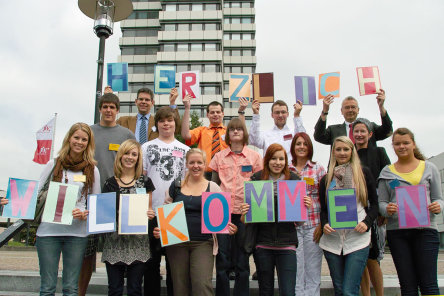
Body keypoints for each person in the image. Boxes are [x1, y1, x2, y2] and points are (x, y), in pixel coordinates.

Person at [153, 148, 237, 296]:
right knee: (180, 287)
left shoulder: (213, 187)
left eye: (199, 162)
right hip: (176, 242)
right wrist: (161, 229)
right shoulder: (176, 185)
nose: (195, 166)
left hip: (203, 243)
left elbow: (222, 218)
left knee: (202, 285)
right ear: (186, 164)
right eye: (192, 162)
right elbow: (166, 211)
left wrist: (229, 228)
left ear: (205, 165)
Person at [79, 93, 135, 296]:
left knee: (119, 247)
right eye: (105, 107)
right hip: (92, 198)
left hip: (118, 198)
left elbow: (134, 163)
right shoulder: (89, 132)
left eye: (112, 107)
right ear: (100, 109)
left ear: (117, 110)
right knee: (88, 251)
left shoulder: (126, 134)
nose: (109, 110)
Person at [35, 123, 100, 296]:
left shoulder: (92, 169)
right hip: (48, 232)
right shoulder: (53, 164)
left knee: (71, 288)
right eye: (76, 137)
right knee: (47, 288)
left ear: (89, 143)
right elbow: (35, 193)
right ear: (69, 139)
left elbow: (95, 203)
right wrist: (12, 201)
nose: (79, 142)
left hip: (76, 234)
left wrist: (86, 214)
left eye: (84, 139)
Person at [378, 128, 443, 295]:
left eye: (406, 143)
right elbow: (382, 203)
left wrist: (438, 206)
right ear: (393, 146)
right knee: (407, 286)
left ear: (413, 144)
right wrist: (387, 209)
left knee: (429, 285)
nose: (402, 146)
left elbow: (439, 198)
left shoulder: (429, 168)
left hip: (426, 231)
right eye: (397, 143)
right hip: (397, 233)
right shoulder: (387, 172)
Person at [240, 143, 312, 296]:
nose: (277, 163)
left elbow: (299, 222)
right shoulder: (256, 179)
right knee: (265, 291)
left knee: (288, 292)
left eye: (281, 159)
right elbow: (247, 220)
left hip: (287, 244)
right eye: (273, 158)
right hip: (263, 244)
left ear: (286, 161)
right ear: (267, 160)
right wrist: (245, 214)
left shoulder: (294, 180)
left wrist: (305, 208)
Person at [209, 118, 262, 296]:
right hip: (222, 213)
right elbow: (213, 186)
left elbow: (260, 187)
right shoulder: (218, 157)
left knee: (242, 260)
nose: (236, 132)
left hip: (245, 215)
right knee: (222, 260)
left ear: (244, 132)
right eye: (232, 129)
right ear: (228, 134)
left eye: (239, 129)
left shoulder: (255, 157)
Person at [319, 136, 378, 296]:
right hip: (333, 240)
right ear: (333, 152)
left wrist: (367, 222)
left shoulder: (363, 173)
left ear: (352, 151)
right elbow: (323, 210)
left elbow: (375, 204)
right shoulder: (326, 179)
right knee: (339, 290)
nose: (342, 152)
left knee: (349, 291)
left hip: (357, 238)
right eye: (338, 149)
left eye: (346, 149)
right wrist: (324, 223)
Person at [142, 106, 190, 296]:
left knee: (174, 265)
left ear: (175, 123)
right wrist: (144, 207)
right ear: (157, 124)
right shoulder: (146, 147)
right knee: (151, 263)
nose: (166, 124)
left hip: (175, 212)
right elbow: (142, 179)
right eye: (162, 121)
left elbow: (187, 182)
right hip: (151, 211)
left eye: (169, 120)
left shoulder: (184, 149)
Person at [101, 139, 155, 296]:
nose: (130, 157)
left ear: (138, 158)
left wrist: (150, 214)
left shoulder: (145, 182)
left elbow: (149, 210)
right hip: (114, 242)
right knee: (115, 289)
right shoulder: (110, 183)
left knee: (135, 289)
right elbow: (104, 212)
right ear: (120, 156)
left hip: (137, 242)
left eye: (134, 154)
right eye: (126, 153)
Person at [352, 118, 391, 296]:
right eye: (356, 132)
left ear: (370, 134)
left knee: (373, 257)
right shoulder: (350, 155)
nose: (359, 134)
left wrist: (386, 208)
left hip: (375, 209)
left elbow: (391, 180)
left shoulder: (380, 152)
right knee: (361, 257)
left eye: (362, 131)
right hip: (355, 210)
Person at [289, 132, 326, 296]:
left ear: (310, 147)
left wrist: (322, 225)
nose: (301, 147)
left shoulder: (318, 169)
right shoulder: (286, 169)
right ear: (293, 147)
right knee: (296, 271)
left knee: (313, 270)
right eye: (298, 144)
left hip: (313, 226)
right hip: (291, 227)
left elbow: (325, 199)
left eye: (305, 144)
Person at [181, 95, 246, 180]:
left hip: (226, 173)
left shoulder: (229, 131)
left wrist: (241, 112)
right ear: (207, 115)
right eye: (212, 112)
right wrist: (187, 108)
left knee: (224, 194)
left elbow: (242, 137)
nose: (215, 114)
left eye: (218, 112)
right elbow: (185, 135)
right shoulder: (201, 131)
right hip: (204, 174)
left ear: (223, 114)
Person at [314, 89, 392, 147]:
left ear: (358, 110)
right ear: (341, 111)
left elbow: (388, 131)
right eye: (347, 107)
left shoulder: (370, 127)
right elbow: (318, 136)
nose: (350, 110)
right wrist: (325, 111)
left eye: (353, 107)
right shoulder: (333, 130)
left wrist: (381, 107)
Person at [116, 87, 181, 144]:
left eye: (147, 100)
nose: (143, 102)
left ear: (152, 103)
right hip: (131, 156)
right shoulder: (123, 121)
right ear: (136, 101)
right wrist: (108, 96)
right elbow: (109, 127)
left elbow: (176, 128)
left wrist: (172, 102)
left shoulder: (159, 121)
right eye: (141, 99)